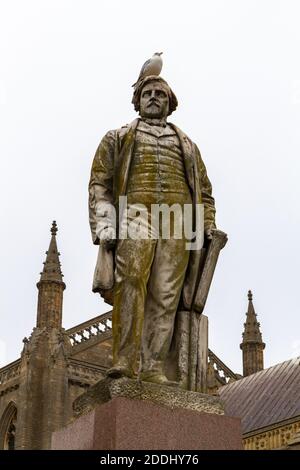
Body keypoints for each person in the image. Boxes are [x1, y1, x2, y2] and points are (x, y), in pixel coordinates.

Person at [89, 76, 216, 386]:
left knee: (166, 296)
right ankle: (124, 362)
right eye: (147, 93)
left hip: (179, 220)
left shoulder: (187, 146)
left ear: (170, 104)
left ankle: (153, 368)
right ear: (138, 100)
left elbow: (206, 194)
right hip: (134, 215)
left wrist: (208, 225)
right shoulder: (117, 138)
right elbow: (100, 184)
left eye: (160, 94)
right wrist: (105, 224)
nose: (154, 97)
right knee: (130, 281)